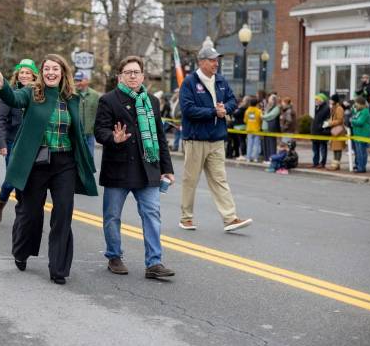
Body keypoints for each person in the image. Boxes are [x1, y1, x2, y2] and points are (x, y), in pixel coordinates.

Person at [0, 54, 98, 285]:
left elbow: (79, 130)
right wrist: (2, 85)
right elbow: (13, 99)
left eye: (55, 69)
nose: (51, 73)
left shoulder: (71, 97)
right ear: (42, 73)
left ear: (63, 72)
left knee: (63, 213)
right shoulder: (33, 93)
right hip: (37, 162)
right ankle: (21, 251)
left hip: (65, 163)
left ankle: (59, 268)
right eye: (47, 69)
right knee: (30, 213)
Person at [94, 55, 175, 279]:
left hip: (148, 167)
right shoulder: (108, 100)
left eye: (136, 72)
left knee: (152, 214)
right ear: (120, 76)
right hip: (118, 168)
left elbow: (159, 137)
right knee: (112, 216)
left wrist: (167, 168)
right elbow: (99, 131)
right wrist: (113, 137)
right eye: (128, 72)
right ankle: (114, 256)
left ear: (142, 76)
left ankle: (154, 263)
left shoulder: (152, 101)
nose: (132, 76)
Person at [179, 46, 252, 232]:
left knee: (220, 180)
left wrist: (225, 109)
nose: (216, 63)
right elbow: (187, 110)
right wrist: (214, 111)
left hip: (217, 140)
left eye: (216, 59)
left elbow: (232, 101)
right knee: (190, 180)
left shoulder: (221, 80)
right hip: (195, 140)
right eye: (212, 60)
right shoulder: (189, 82)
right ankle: (186, 218)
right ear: (201, 62)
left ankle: (230, 218)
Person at [0, 58, 37, 224]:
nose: (24, 75)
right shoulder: (9, 94)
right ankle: (0, 202)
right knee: (12, 180)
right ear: (17, 75)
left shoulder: (39, 94)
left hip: (33, 144)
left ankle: (23, 212)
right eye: (21, 73)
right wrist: (1, 144)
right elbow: (0, 119)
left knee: (29, 181)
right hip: (13, 143)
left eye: (28, 73)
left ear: (34, 76)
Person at [74, 70, 101, 157]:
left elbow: (99, 114)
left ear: (86, 81)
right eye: (76, 80)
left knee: (89, 158)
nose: (77, 83)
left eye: (80, 80)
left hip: (90, 134)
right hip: (76, 134)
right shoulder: (72, 94)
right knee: (77, 160)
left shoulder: (95, 95)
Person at [351, 96, 370, 173]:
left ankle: (362, 167)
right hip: (357, 134)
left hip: (362, 135)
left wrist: (352, 121)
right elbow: (354, 115)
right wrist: (353, 109)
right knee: (358, 152)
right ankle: (358, 165)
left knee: (361, 152)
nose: (355, 104)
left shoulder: (365, 111)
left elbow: (360, 122)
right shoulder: (359, 111)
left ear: (361, 104)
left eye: (356, 103)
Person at [327, 94, 346, 171]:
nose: (330, 101)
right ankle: (335, 165)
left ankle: (335, 165)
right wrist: (329, 122)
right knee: (335, 148)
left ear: (334, 100)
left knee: (338, 148)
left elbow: (340, 120)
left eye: (331, 100)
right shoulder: (334, 108)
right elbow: (333, 119)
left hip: (339, 131)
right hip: (335, 131)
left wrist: (330, 123)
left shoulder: (339, 108)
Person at [311, 93, 330, 168]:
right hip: (315, 132)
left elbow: (326, 120)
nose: (316, 101)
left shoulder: (326, 108)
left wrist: (321, 127)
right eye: (315, 99)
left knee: (323, 148)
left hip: (322, 132)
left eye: (317, 99)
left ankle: (322, 163)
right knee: (315, 149)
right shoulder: (317, 108)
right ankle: (315, 162)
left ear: (322, 100)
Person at [261, 94, 281, 162]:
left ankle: (272, 159)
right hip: (265, 129)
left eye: (270, 99)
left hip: (271, 129)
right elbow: (264, 114)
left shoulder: (276, 108)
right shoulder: (268, 107)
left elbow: (271, 116)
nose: (269, 100)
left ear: (274, 100)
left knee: (271, 145)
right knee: (265, 145)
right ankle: (266, 159)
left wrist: (263, 116)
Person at [244, 98, 262, 162]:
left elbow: (245, 120)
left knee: (249, 144)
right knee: (256, 145)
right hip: (256, 129)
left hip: (249, 129)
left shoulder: (247, 111)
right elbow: (261, 120)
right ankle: (255, 158)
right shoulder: (259, 111)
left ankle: (248, 157)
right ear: (256, 104)